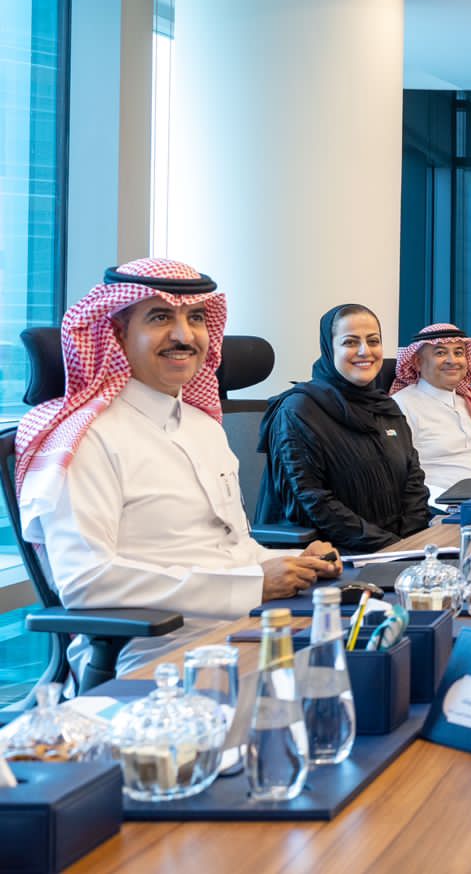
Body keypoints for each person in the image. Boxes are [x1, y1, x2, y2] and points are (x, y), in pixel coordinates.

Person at [15, 259, 341, 676]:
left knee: (374, 653)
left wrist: (297, 562)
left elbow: (229, 550)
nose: (184, 336)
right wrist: (253, 585)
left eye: (196, 318)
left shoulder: (203, 426)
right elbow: (86, 581)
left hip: (247, 626)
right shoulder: (86, 438)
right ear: (118, 332)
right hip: (157, 653)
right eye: (160, 317)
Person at [257, 304, 430, 553]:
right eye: (350, 342)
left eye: (373, 341)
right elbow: (313, 501)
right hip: (335, 554)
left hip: (399, 550)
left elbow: (413, 480)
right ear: (329, 348)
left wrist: (412, 543)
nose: (365, 351)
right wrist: (391, 548)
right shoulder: (299, 411)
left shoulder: (385, 406)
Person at [389, 323, 471, 504]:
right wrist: (445, 505)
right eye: (440, 353)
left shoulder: (470, 401)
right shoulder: (401, 405)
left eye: (458, 353)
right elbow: (401, 476)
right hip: (445, 508)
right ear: (417, 362)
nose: (452, 360)